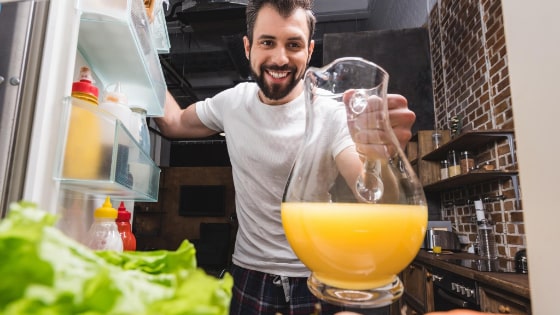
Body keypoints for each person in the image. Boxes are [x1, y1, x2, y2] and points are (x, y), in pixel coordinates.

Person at [155, 0, 415, 314]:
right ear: (248, 47)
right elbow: (173, 122)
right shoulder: (233, 102)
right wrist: (143, 46)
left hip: (317, 272)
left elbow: (369, 191)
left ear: (309, 50)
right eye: (267, 42)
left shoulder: (331, 113)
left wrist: (379, 154)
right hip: (249, 272)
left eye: (293, 44)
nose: (280, 58)